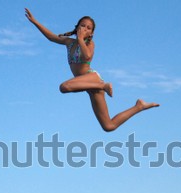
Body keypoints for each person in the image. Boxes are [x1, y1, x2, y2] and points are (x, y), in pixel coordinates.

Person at [25, 8, 159, 132]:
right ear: (77, 27)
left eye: (88, 28)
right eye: (82, 25)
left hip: (92, 78)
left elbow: (87, 56)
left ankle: (103, 85)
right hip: (90, 86)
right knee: (108, 126)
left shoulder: (89, 44)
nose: (84, 29)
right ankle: (139, 106)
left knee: (64, 87)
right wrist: (34, 21)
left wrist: (81, 39)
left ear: (91, 33)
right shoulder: (69, 42)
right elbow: (51, 37)